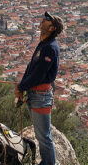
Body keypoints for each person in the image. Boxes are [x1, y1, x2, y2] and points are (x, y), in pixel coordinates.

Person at [16, 11, 63, 165]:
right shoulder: (43, 44)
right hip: (36, 94)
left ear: (52, 28)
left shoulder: (50, 47)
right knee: (40, 134)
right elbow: (31, 68)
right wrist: (21, 87)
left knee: (44, 136)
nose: (43, 20)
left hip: (41, 95)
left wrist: (21, 86)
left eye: (47, 20)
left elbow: (39, 74)